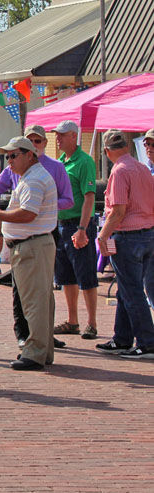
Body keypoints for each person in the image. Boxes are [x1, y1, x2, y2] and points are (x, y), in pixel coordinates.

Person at [0, 136, 58, 371]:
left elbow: (27, 214)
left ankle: (35, 353)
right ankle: (42, 351)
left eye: (14, 155)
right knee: (41, 300)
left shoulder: (34, 180)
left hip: (32, 246)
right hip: (34, 245)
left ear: (29, 155)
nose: (9, 161)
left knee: (34, 302)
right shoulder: (32, 177)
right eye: (7, 156)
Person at [0, 124, 74, 348]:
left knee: (38, 293)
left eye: (37, 141)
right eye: (7, 156)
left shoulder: (49, 170)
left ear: (34, 150)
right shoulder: (17, 170)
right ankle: (30, 336)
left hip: (38, 237)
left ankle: (37, 344)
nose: (9, 160)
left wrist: (42, 204)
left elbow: (64, 201)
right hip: (28, 238)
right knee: (26, 292)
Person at [95, 130, 154, 359]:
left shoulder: (120, 170)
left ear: (107, 151)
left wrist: (103, 235)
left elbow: (118, 210)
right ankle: (122, 338)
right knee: (127, 289)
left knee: (133, 292)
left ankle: (147, 342)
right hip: (147, 234)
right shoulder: (141, 168)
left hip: (128, 236)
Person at [51, 120, 100, 341]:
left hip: (78, 225)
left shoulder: (84, 161)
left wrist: (82, 228)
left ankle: (92, 322)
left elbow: (89, 196)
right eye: (57, 135)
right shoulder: (60, 162)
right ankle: (73, 320)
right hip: (61, 226)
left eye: (62, 135)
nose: (58, 138)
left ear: (74, 136)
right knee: (66, 277)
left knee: (86, 275)